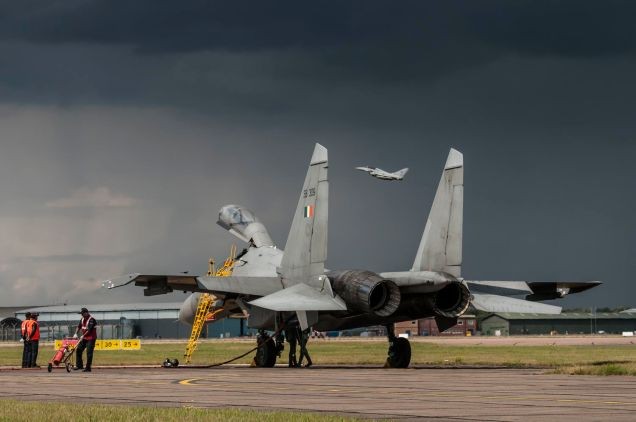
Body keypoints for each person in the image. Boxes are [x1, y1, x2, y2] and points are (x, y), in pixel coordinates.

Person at [73, 307, 97, 372]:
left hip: (91, 338)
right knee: (78, 350)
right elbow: (79, 327)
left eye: (82, 313)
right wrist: (75, 333)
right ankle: (79, 365)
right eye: (81, 314)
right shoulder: (82, 319)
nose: (81, 315)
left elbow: (89, 330)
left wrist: (83, 335)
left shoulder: (92, 320)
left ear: (86, 313)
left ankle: (88, 368)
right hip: (84, 338)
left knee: (89, 352)